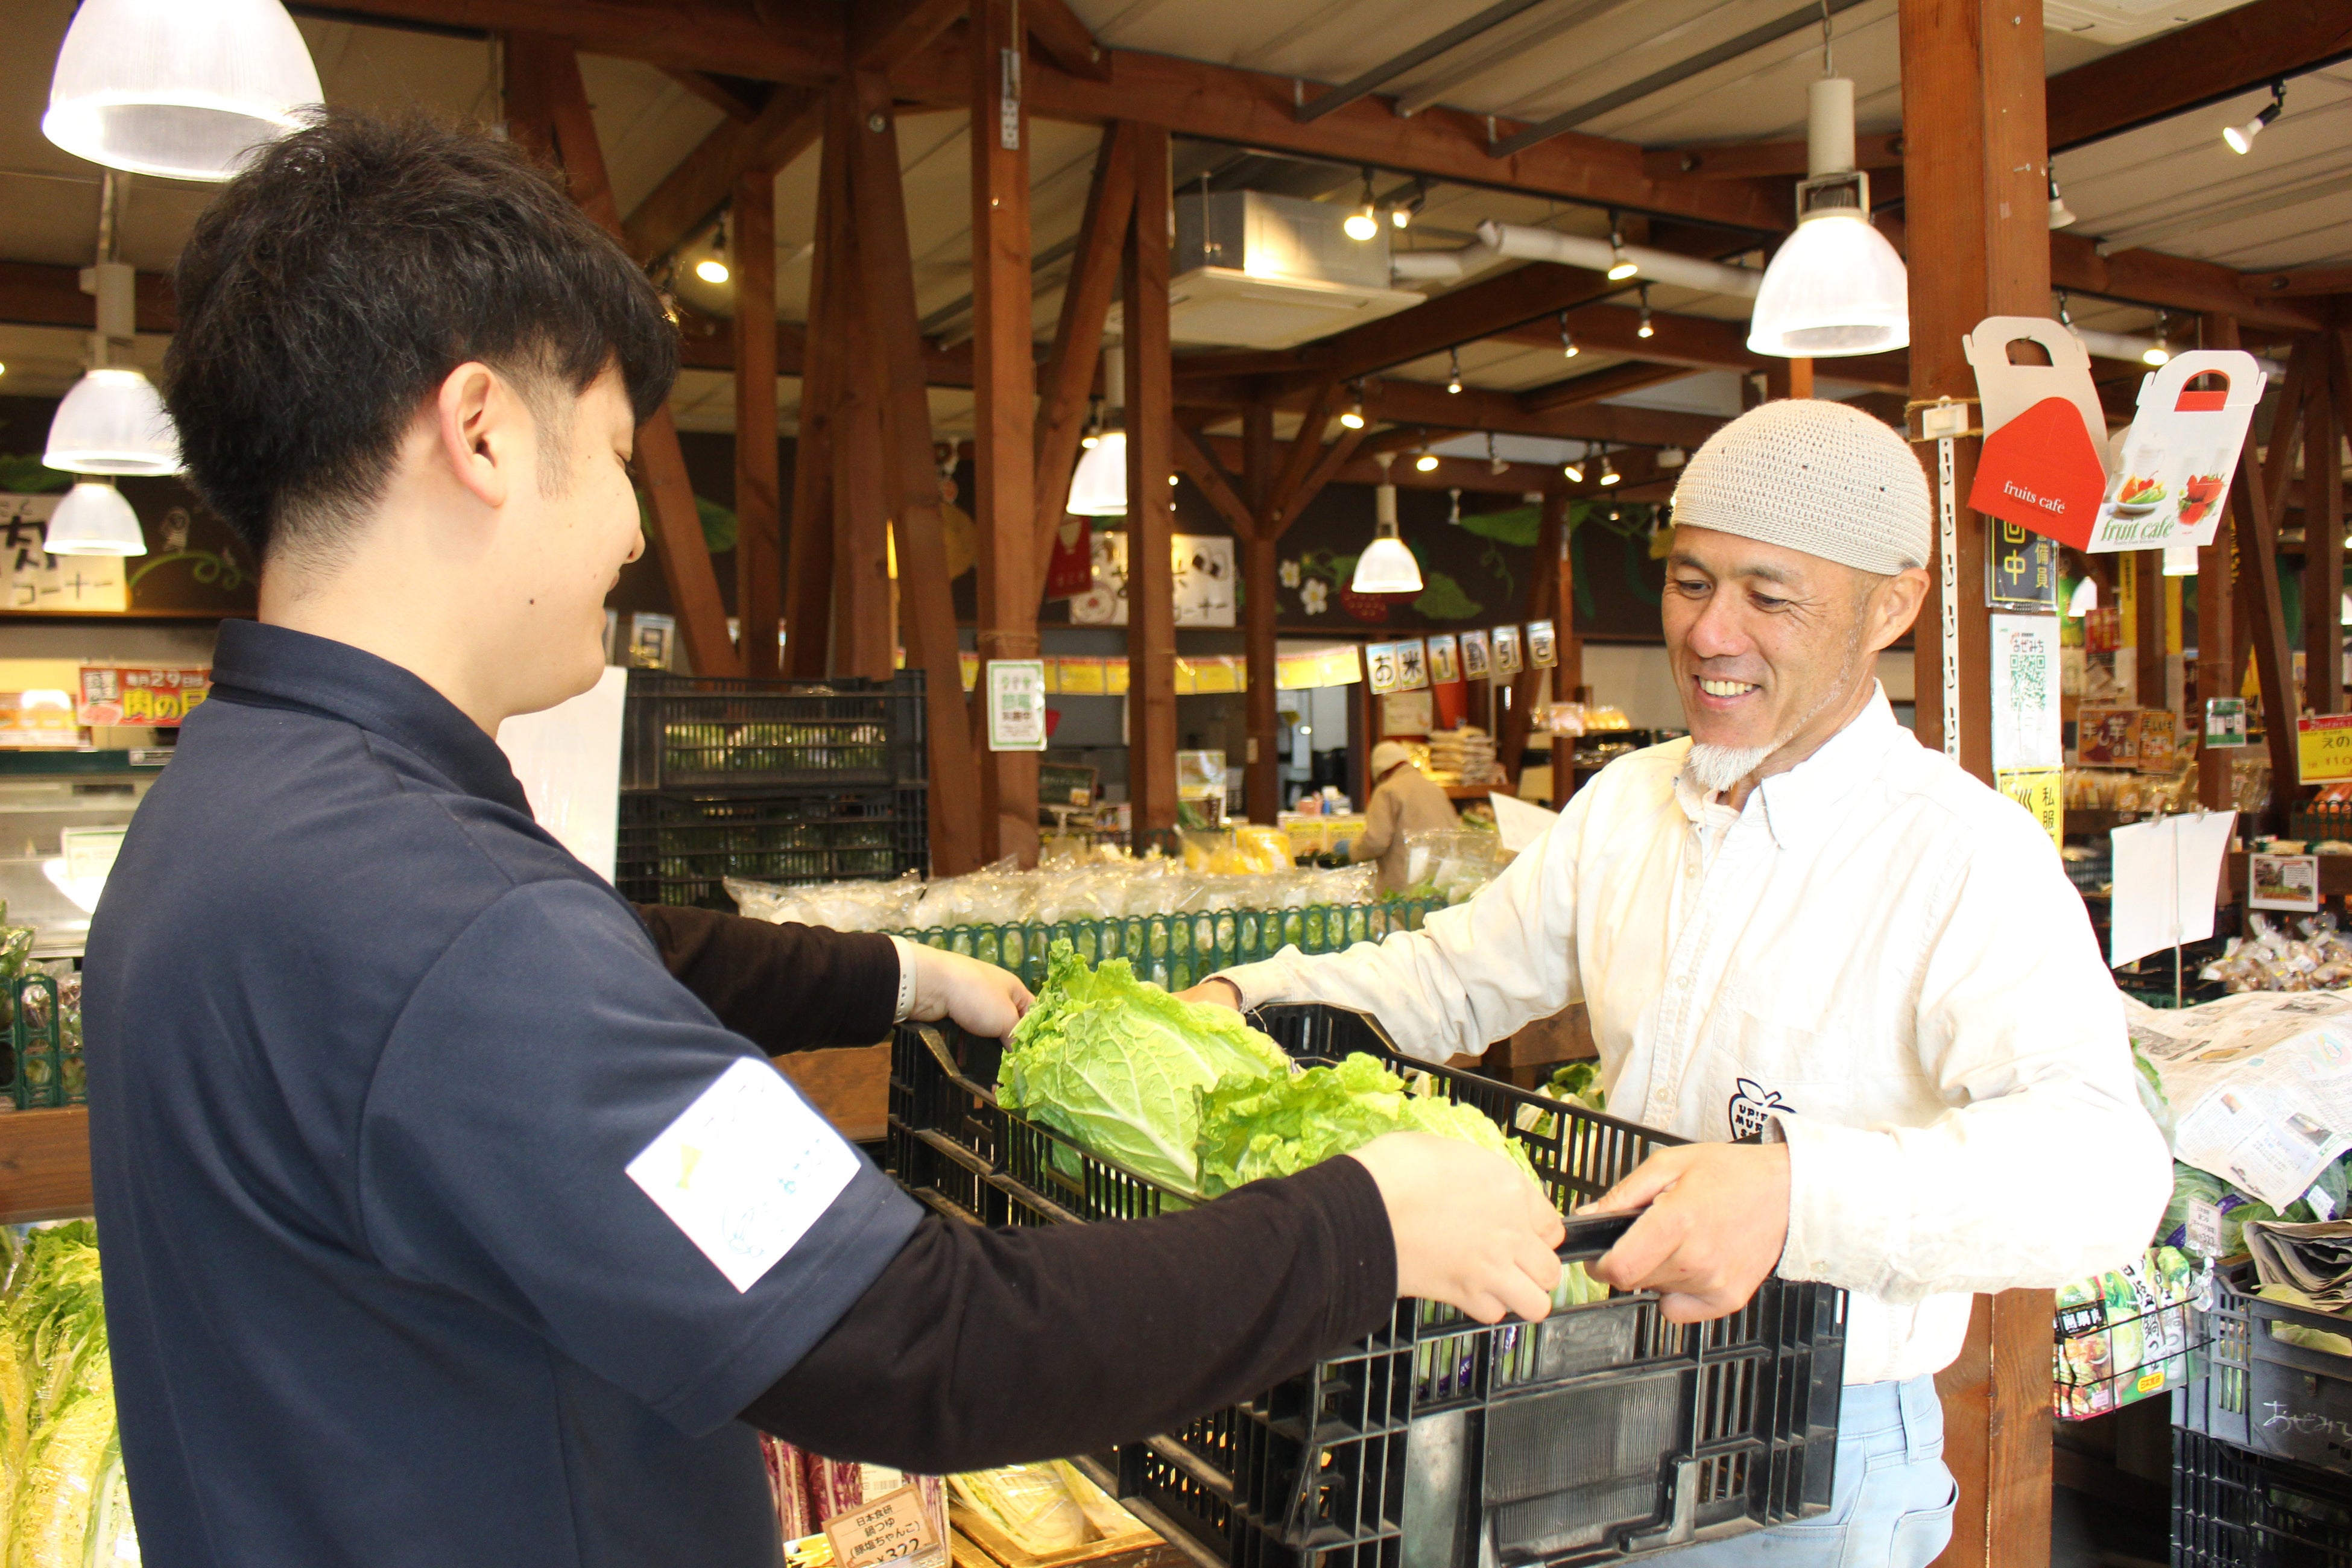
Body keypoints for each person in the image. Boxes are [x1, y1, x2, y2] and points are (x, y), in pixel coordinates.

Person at [81, 112, 1567, 1568]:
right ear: (481, 431)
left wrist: (906, 976)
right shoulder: (444, 919)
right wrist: (1364, 1228)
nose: (633, 530)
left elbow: (614, 958)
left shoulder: (237, 817)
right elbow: (918, 1335)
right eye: (615, 452)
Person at [1183, 399, 2172, 1567]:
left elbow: (2105, 1175)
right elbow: (1450, 977)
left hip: (1812, 1453)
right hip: (1594, 1392)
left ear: (1891, 607)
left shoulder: (1959, 853)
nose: (1709, 633)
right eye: (1690, 582)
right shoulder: (1628, 805)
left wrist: (1796, 1195)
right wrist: (1240, 1002)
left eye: (1769, 596)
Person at [1348, 739, 1462, 893]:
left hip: (1405, 886)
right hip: (1441, 882)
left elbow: (1376, 842)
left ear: (1380, 771)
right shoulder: (1435, 789)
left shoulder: (1387, 791)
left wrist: (1352, 850)